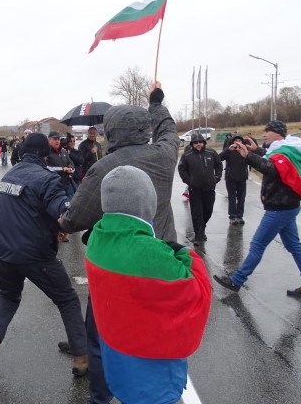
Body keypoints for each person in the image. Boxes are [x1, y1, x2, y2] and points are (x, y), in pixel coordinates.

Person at [59, 82, 180, 404]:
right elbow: (169, 130)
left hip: (116, 267)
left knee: (101, 338)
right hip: (159, 260)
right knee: (151, 339)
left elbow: (75, 218)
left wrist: (61, 222)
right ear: (145, 129)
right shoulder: (165, 155)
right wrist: (156, 102)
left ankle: (101, 398)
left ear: (110, 132)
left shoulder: (104, 168)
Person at [85, 166, 211, 404]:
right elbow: (196, 291)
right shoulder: (151, 253)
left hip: (116, 359)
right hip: (153, 376)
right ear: (147, 205)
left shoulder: (96, 236)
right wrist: (186, 255)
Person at [0, 133, 89, 376]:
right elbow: (63, 212)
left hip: (5, 251)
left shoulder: (10, 175)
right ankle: (82, 357)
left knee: (8, 296)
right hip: (35, 254)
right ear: (45, 154)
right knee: (67, 300)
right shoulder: (47, 179)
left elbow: (26, 209)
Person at [213, 121, 301, 298]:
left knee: (257, 244)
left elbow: (272, 168)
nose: (263, 134)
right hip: (288, 206)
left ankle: (237, 280)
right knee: (294, 246)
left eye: (267, 131)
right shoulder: (287, 149)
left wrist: (248, 156)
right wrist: (256, 151)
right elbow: (274, 160)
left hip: (279, 208)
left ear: (277, 134)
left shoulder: (284, 152)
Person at [177, 133, 222, 244]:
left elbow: (219, 165)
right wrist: (190, 181)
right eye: (195, 142)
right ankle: (198, 235)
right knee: (197, 213)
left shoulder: (211, 153)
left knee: (208, 211)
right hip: (195, 190)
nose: (198, 144)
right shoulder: (187, 155)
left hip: (209, 189)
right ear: (192, 144)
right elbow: (182, 169)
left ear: (204, 142)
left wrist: (216, 178)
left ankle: (201, 229)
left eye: (200, 142)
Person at [219, 134, 261, 225]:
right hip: (230, 177)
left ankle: (240, 216)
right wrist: (228, 150)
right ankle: (232, 216)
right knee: (232, 197)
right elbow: (219, 158)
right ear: (232, 142)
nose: (238, 142)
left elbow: (255, 158)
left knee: (241, 198)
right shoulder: (229, 150)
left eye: (240, 140)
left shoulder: (245, 150)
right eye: (236, 140)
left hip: (242, 177)